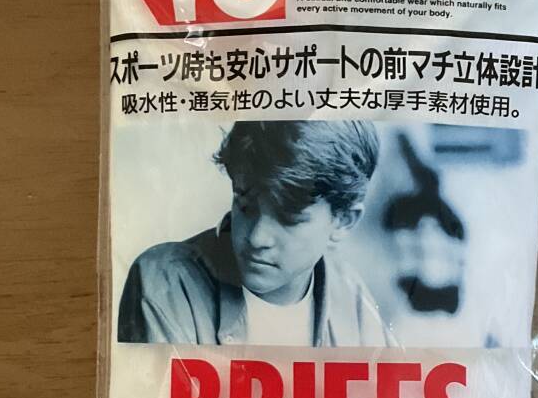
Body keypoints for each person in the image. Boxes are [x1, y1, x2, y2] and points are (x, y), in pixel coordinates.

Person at [117, 120, 391, 346]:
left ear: (343, 221)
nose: (257, 238)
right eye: (246, 205)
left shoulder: (353, 298)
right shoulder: (167, 281)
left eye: (288, 218)